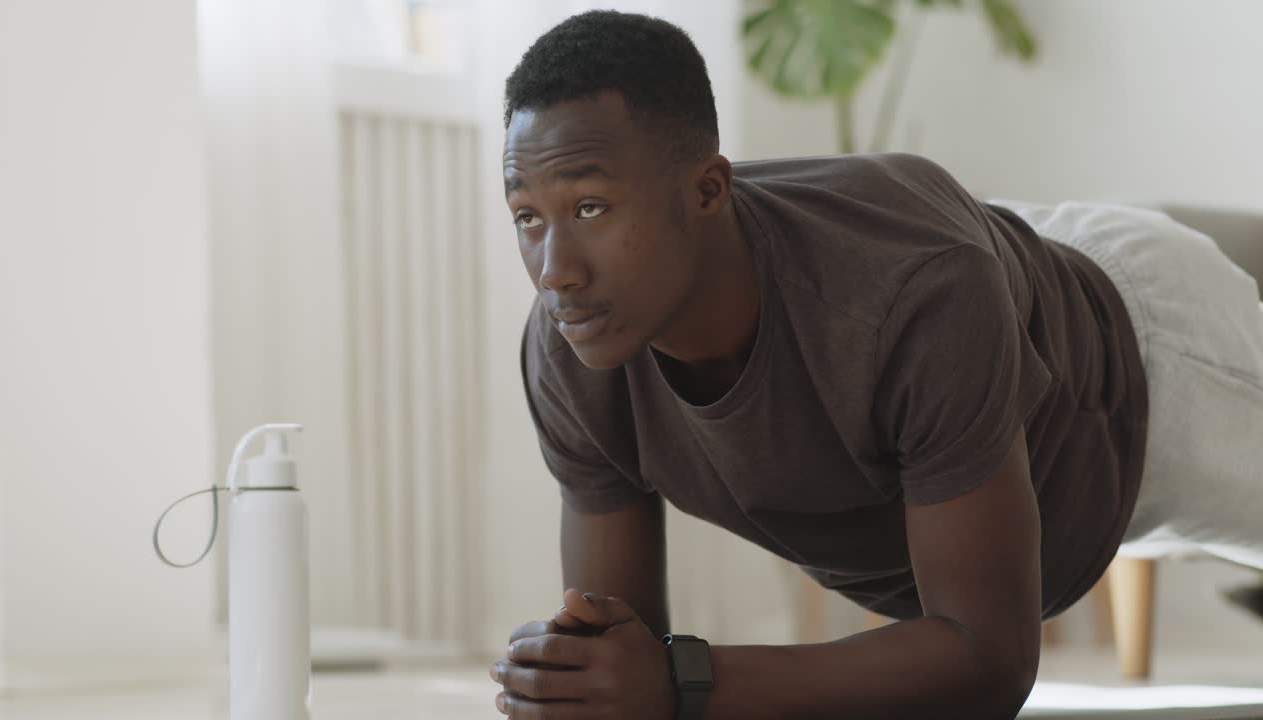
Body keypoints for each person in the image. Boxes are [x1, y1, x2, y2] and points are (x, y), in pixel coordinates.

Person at [488, 9, 1263, 720]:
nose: (555, 272)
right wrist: (587, 681)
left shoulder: (913, 297)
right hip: (988, 275)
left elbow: (990, 662)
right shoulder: (573, 345)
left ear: (708, 190)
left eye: (590, 208)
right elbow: (623, 671)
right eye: (528, 217)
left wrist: (685, 677)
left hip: (1144, 350)